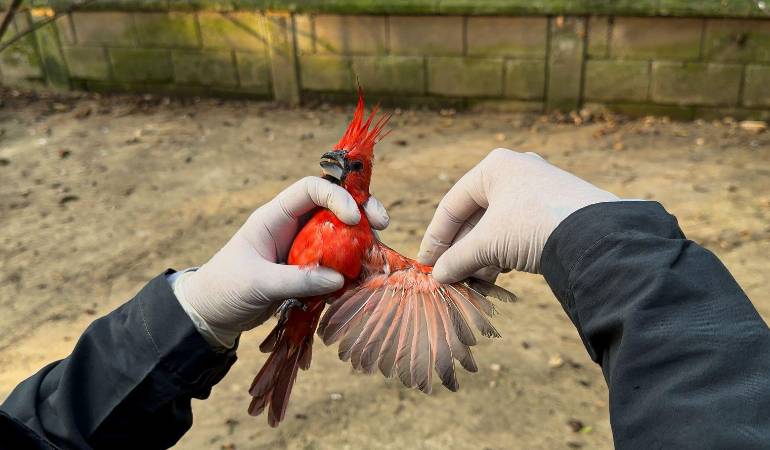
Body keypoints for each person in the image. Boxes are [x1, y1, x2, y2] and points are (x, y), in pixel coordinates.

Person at [1, 149, 768, 449]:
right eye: (337, 164)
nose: (341, 171)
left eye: (352, 167)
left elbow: (424, 292)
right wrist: (198, 301)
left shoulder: (370, 248)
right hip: (290, 305)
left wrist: (185, 315)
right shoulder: (328, 219)